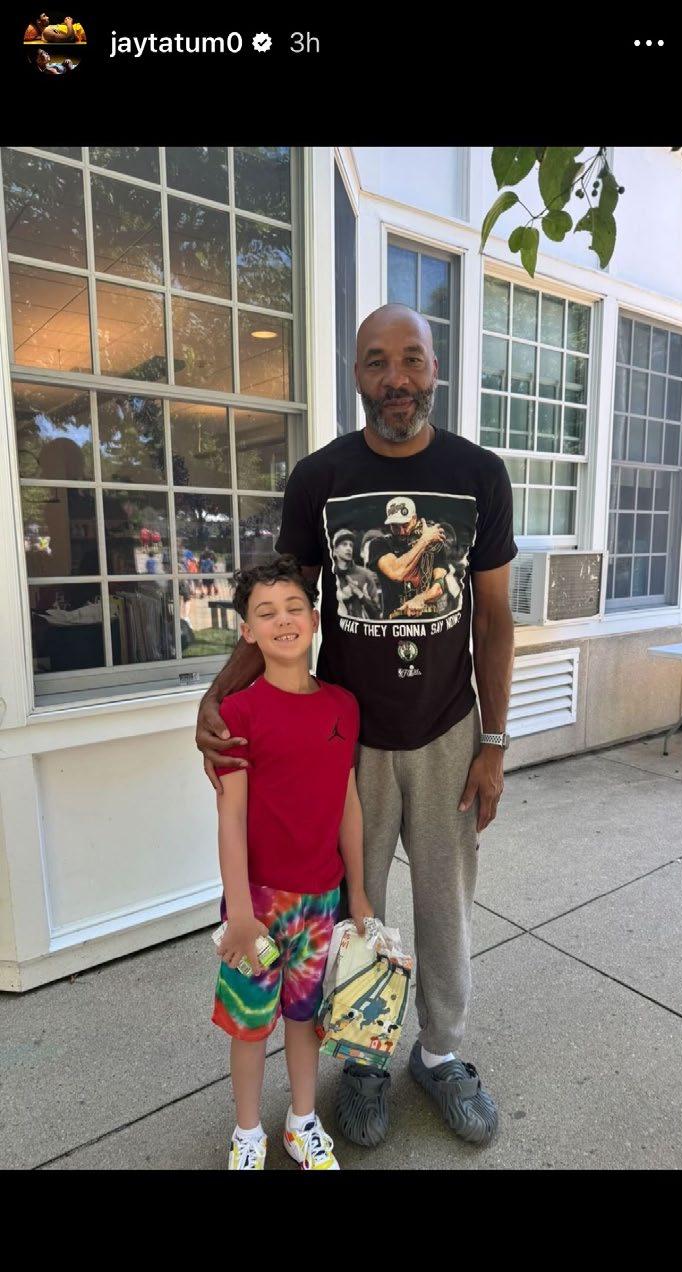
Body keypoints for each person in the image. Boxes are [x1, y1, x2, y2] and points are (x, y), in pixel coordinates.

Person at [197, 303, 517, 1151]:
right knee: (350, 916)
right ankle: (363, 1061)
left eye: (411, 359)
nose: (396, 378)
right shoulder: (321, 477)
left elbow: (493, 619)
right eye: (377, 361)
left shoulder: (478, 474)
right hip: (347, 739)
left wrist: (493, 744)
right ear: (356, 375)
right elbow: (284, 605)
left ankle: (439, 1053)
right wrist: (218, 698)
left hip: (448, 729)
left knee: (444, 908)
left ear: (435, 369)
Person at [211, 553, 372, 1170]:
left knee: (305, 1018)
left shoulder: (343, 705)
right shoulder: (238, 714)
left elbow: (348, 802)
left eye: (294, 607)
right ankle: (248, 1132)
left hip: (321, 900)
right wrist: (239, 913)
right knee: (250, 1024)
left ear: (315, 618)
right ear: (247, 631)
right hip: (256, 905)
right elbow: (230, 816)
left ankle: (302, 1121)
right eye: (266, 612)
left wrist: (358, 892)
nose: (283, 620)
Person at [331, 527, 382, 619]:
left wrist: (360, 595)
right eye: (344, 544)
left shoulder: (364, 575)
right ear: (335, 550)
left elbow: (377, 615)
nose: (348, 548)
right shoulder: (328, 576)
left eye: (351, 545)